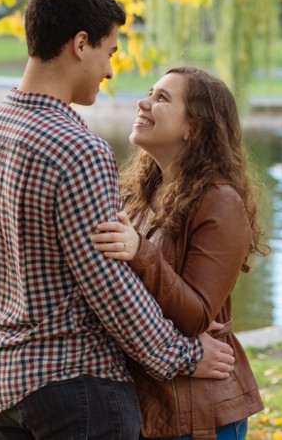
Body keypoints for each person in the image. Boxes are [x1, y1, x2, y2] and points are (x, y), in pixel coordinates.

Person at [0, 0, 234, 440]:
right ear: (81, 44)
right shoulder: (79, 148)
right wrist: (185, 356)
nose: (108, 70)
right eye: (110, 52)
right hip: (75, 387)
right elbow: (108, 286)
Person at [91, 67, 268, 440]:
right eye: (150, 92)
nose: (143, 103)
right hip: (147, 402)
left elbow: (197, 316)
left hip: (197, 410)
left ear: (194, 128)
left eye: (162, 98)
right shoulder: (138, 195)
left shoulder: (219, 201)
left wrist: (142, 253)